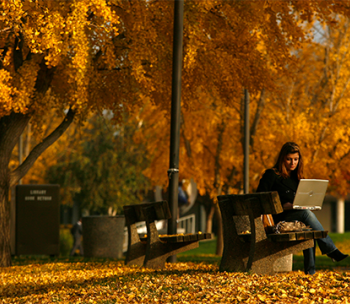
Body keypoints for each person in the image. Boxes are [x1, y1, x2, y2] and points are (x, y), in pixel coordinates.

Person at [257, 142, 348, 275]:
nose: (292, 163)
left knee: (308, 221)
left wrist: (310, 203)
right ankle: (331, 250)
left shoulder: (297, 178)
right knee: (306, 215)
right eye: (289, 159)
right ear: (282, 158)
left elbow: (300, 201)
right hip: (277, 218)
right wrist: (283, 207)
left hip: (296, 216)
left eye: (296, 159)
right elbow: (259, 199)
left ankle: (310, 272)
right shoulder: (271, 174)